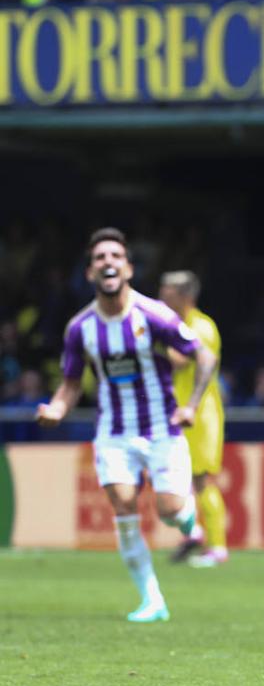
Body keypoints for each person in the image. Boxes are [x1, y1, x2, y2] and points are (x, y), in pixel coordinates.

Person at [37, 228, 218, 622]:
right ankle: (152, 599)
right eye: (100, 257)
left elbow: (203, 356)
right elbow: (70, 383)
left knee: (169, 510)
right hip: (114, 433)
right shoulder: (80, 328)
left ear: (129, 268)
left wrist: (191, 405)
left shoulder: (154, 315)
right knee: (123, 504)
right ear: (90, 273)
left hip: (161, 428)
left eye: (116, 256)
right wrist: (56, 408)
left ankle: (185, 516)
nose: (108, 263)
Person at [160, 270, 228, 568]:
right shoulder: (177, 325)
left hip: (201, 415)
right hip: (179, 412)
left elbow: (180, 360)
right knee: (176, 479)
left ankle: (217, 548)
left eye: (168, 290)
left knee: (201, 481)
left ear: (185, 295)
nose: (162, 295)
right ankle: (193, 534)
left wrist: (147, 341)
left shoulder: (201, 327)